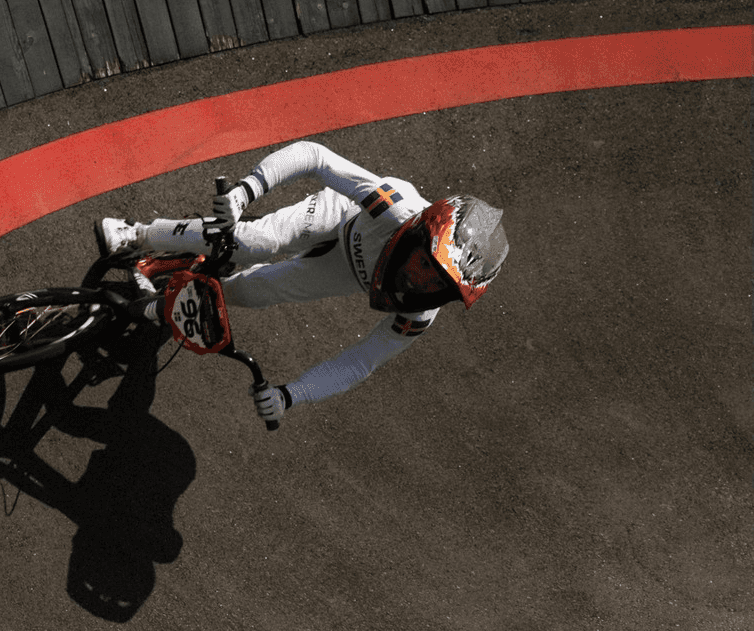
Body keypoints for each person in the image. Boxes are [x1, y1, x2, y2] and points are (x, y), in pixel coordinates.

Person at [95, 138, 508, 426]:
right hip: (341, 218)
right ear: (420, 230)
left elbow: (361, 361)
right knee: (253, 240)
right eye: (425, 261)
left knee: (245, 293)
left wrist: (292, 395)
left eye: (438, 284)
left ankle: (183, 280)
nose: (418, 280)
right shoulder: (393, 205)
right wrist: (244, 193)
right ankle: (137, 234)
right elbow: (315, 157)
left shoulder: (418, 315)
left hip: (345, 270)